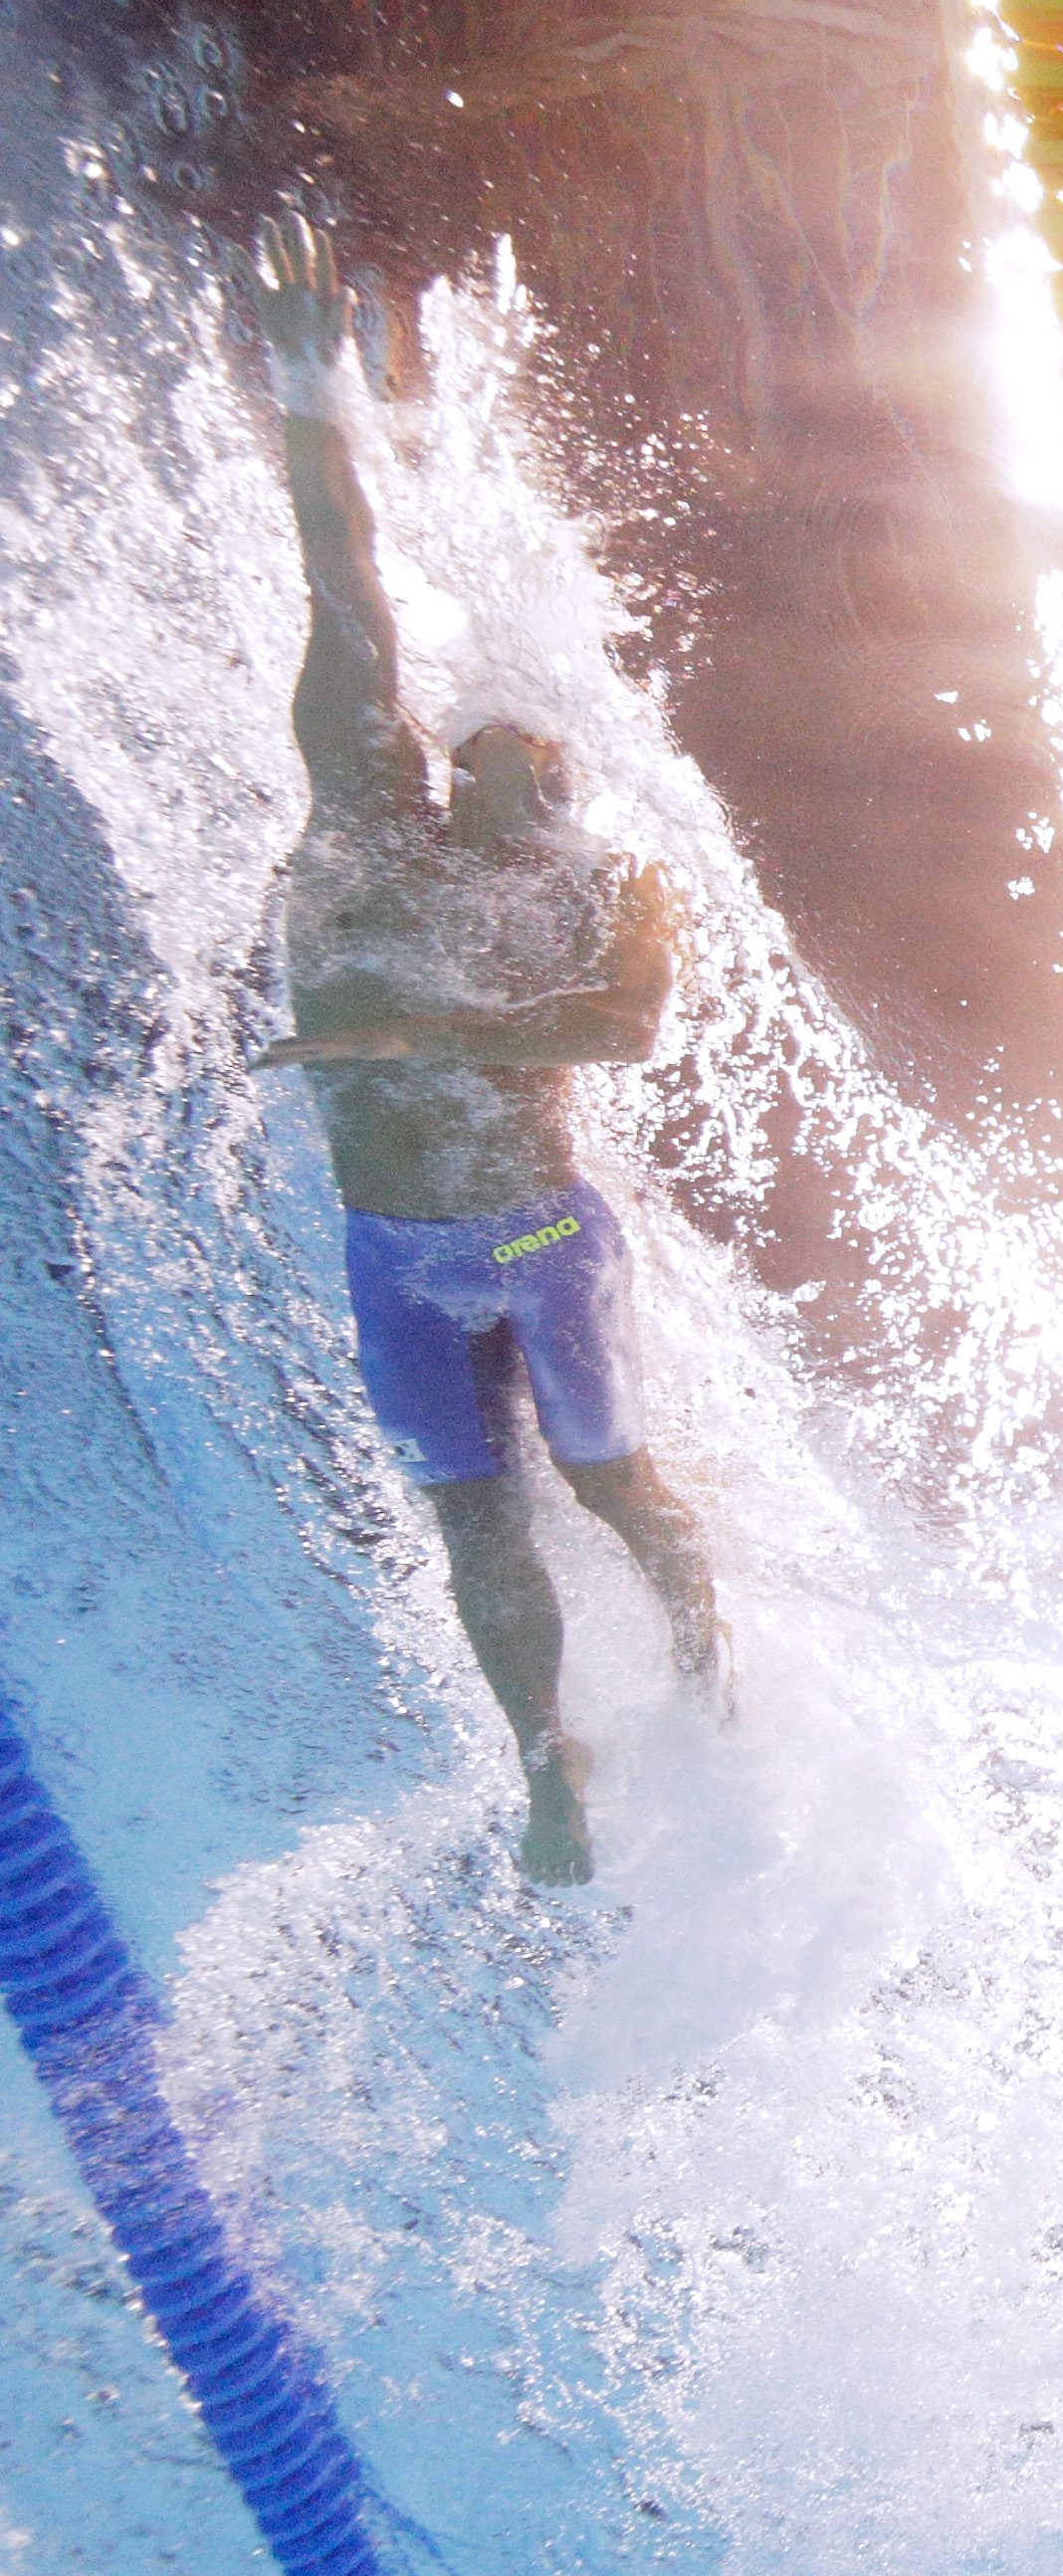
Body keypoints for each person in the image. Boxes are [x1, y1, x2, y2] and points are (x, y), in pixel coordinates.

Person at [240, 216, 723, 1889]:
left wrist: (409, 1027)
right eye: (503, 748)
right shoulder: (363, 813)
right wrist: (314, 391)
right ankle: (547, 1761)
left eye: (553, 764)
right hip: (393, 1250)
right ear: (461, 755)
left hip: (530, 1233)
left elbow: (632, 1026)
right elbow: (338, 572)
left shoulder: (593, 896)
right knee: (472, 1513)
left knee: (603, 1483)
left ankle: (712, 1678)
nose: (529, 774)